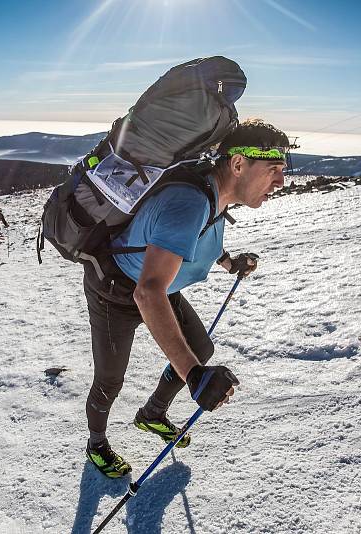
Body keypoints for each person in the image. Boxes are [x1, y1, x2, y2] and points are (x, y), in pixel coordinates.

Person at [81, 119, 289, 478]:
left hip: (162, 285)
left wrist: (228, 262)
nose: (281, 181)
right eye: (273, 169)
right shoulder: (189, 202)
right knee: (111, 379)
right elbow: (147, 292)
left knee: (201, 350)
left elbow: (194, 238)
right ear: (238, 164)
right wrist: (193, 376)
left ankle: (152, 414)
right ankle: (96, 443)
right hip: (115, 292)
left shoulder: (214, 194)